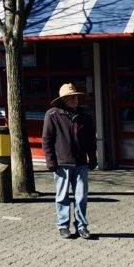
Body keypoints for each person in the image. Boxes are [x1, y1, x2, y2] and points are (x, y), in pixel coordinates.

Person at [42, 83, 97, 240]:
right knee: (62, 196)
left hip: (80, 163)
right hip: (62, 163)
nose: (74, 100)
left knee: (81, 196)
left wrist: (92, 158)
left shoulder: (85, 115)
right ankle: (63, 226)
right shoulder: (52, 115)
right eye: (71, 97)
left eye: (76, 97)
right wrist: (51, 162)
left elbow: (90, 140)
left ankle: (82, 226)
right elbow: (47, 140)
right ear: (63, 99)